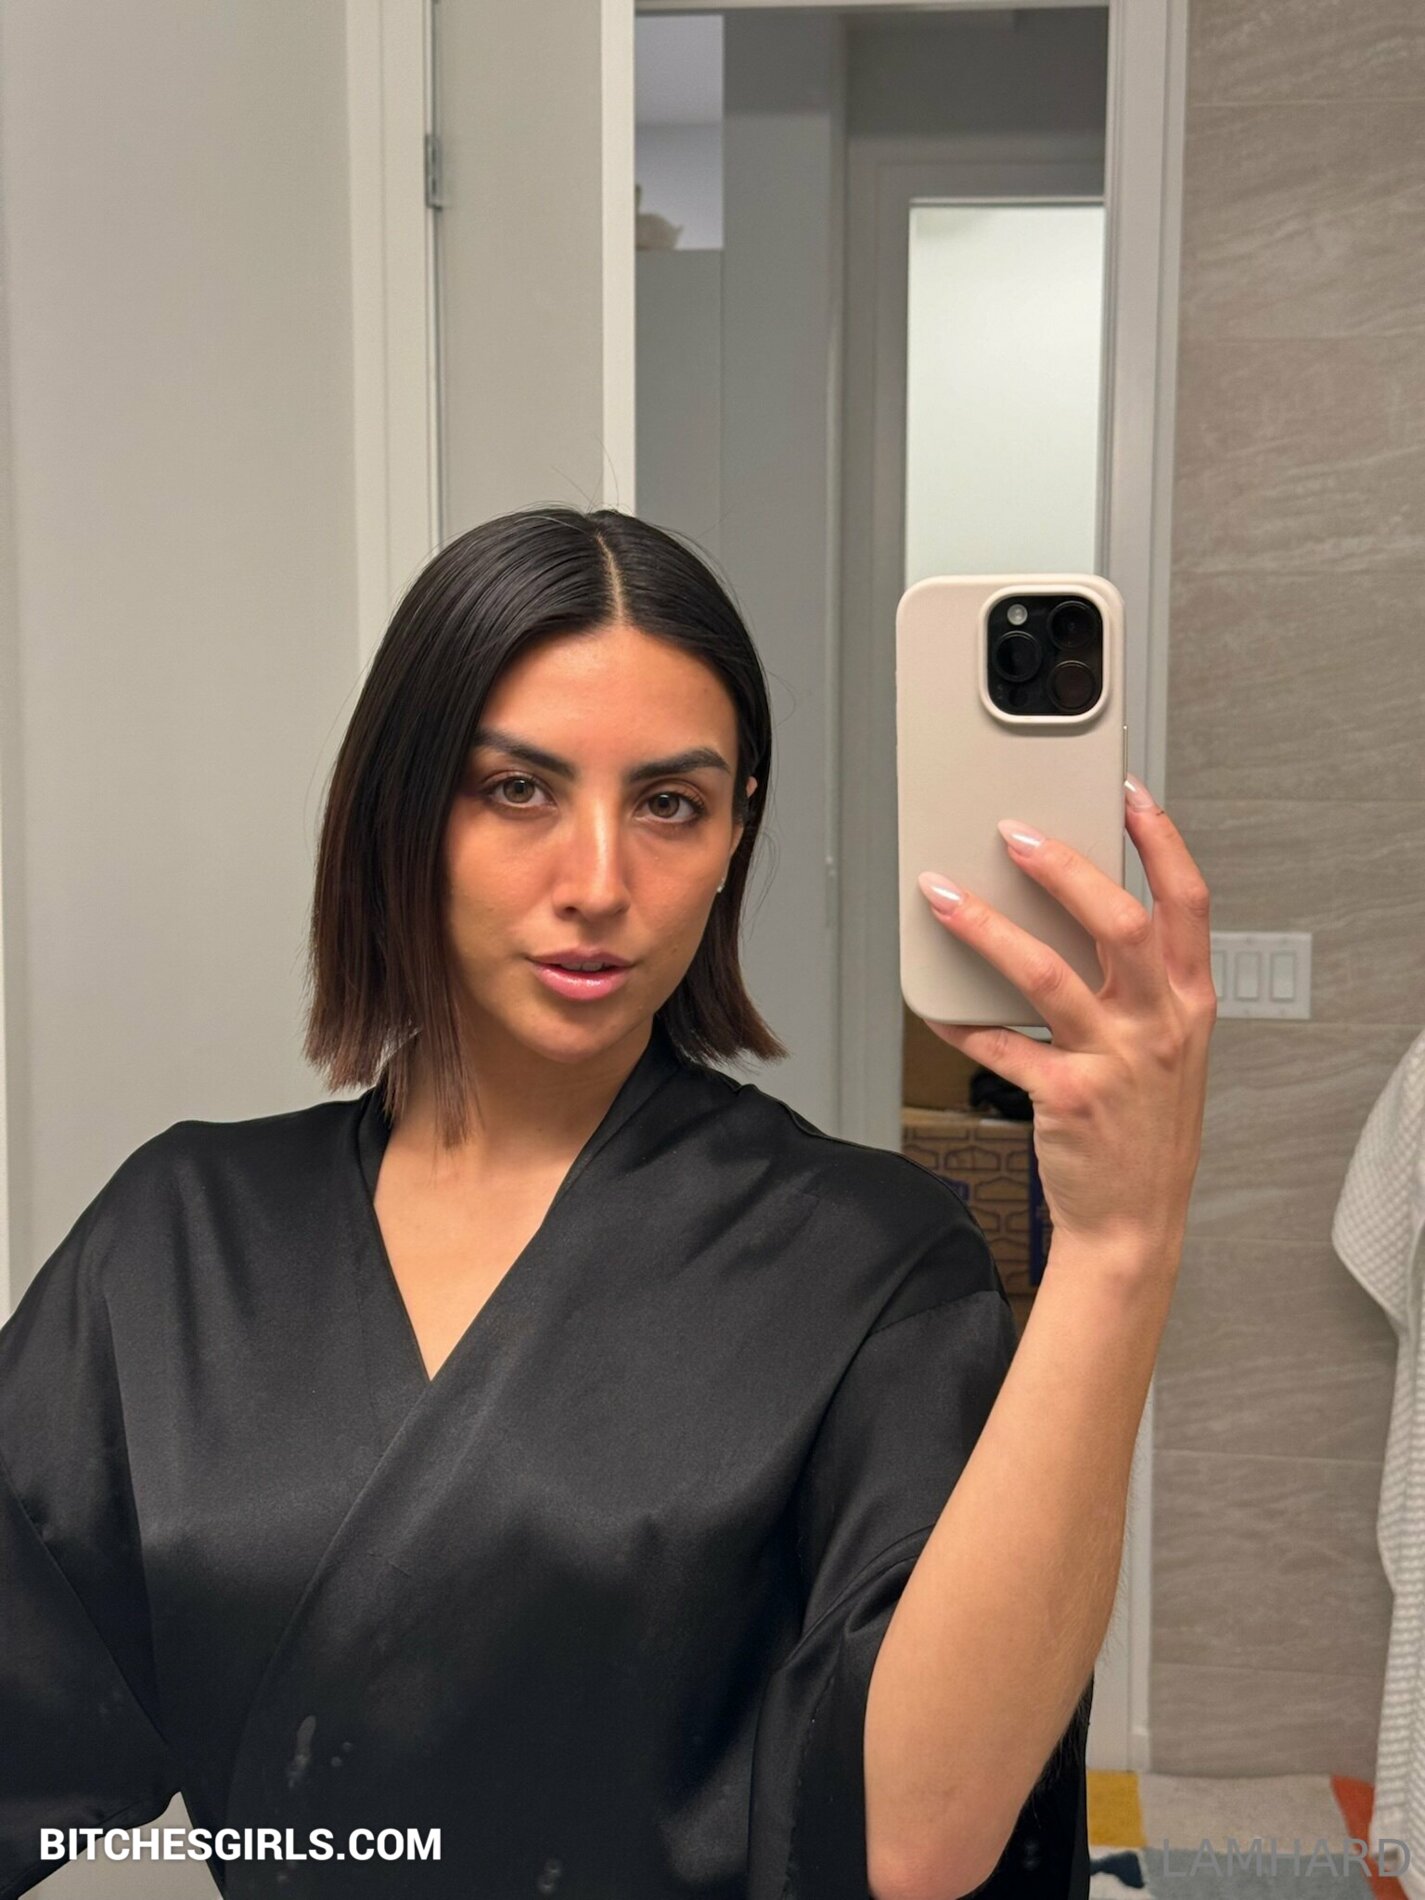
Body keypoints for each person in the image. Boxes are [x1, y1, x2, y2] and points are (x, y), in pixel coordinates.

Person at [0, 506, 1214, 1900]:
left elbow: (920, 1831)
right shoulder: (178, 1246)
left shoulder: (870, 1265)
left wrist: (1119, 1246)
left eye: (669, 805)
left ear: (735, 833)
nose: (598, 885)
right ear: (403, 809)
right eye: (517, 789)